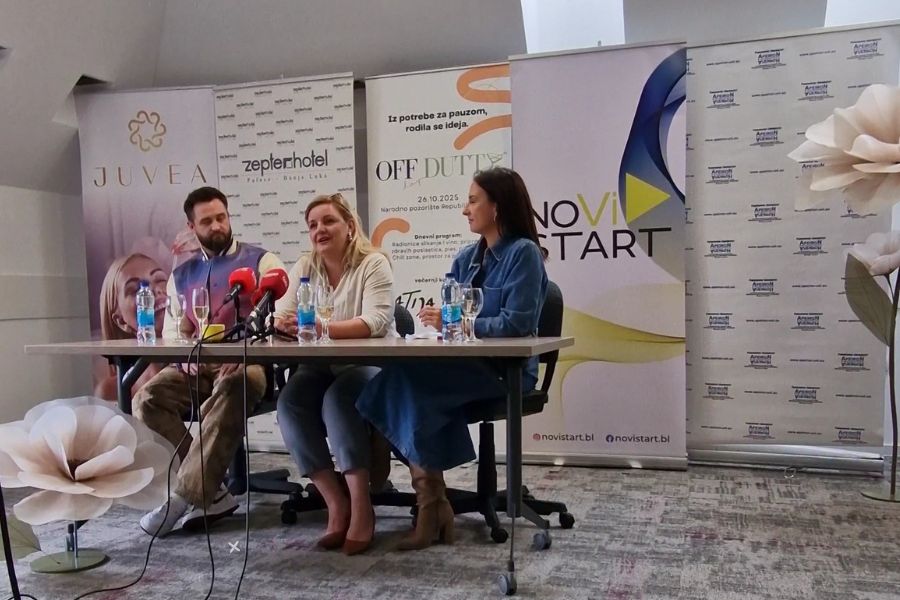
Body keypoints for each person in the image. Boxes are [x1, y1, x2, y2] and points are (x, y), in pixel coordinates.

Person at [357, 167, 548, 550]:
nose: (465, 209)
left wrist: (462, 322)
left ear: (497, 206)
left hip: (505, 371)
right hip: (463, 364)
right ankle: (434, 504)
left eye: (473, 200)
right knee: (395, 378)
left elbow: (517, 323)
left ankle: (431, 505)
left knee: (406, 386)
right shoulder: (465, 259)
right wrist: (441, 321)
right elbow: (451, 320)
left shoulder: (524, 254)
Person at [133, 186, 285, 537]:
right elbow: (174, 333)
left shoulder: (263, 261)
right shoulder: (181, 275)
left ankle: (182, 497)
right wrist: (185, 354)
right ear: (192, 227)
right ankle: (212, 491)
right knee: (146, 398)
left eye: (221, 217)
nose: (217, 226)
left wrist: (245, 351)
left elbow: (282, 324)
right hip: (198, 365)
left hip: (247, 364)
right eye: (207, 221)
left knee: (234, 384)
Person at [273, 193, 394, 556]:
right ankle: (335, 502)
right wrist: (282, 324)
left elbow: (375, 322)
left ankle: (361, 506)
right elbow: (281, 315)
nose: (319, 230)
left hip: (369, 367)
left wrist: (317, 326)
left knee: (338, 400)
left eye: (328, 221)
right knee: (290, 402)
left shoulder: (373, 263)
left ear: (350, 226)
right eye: (312, 225)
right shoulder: (305, 266)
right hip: (319, 366)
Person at [95, 253, 168, 401]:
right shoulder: (112, 391)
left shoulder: (203, 372)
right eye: (135, 290)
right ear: (120, 321)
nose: (154, 291)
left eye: (160, 280)